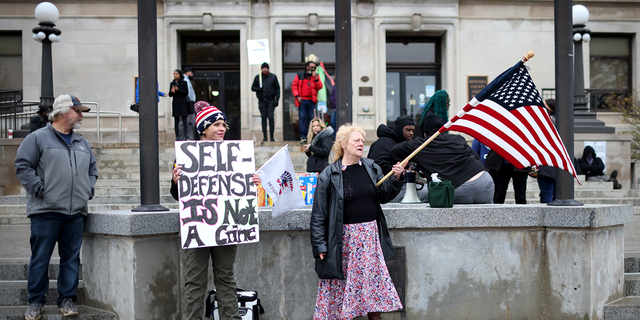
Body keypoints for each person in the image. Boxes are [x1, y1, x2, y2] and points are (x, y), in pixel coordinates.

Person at [15, 94, 98, 320]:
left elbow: (93, 171)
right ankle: (35, 302)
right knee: (40, 257)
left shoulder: (83, 143)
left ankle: (67, 299)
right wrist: (39, 189)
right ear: (63, 112)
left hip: (75, 213)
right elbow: (22, 165)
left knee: (71, 258)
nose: (81, 115)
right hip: (46, 212)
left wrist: (87, 190)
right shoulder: (38, 138)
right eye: (78, 111)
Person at [310, 124, 404, 320]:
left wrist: (396, 178)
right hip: (343, 242)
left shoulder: (371, 167)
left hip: (370, 239)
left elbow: (384, 195)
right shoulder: (329, 174)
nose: (361, 143)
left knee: (371, 293)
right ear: (344, 144)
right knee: (342, 293)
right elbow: (319, 213)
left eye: (362, 140)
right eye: (356, 140)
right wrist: (320, 245)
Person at [171, 101, 241, 320]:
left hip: (225, 226)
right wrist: (176, 182)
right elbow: (178, 195)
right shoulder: (186, 154)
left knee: (226, 279)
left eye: (224, 125)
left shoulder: (235, 155)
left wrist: (251, 180)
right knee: (194, 281)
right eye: (217, 124)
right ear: (203, 129)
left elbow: (239, 190)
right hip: (198, 226)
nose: (222, 129)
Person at [393, 106, 494, 204]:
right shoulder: (458, 139)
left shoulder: (420, 145)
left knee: (428, 197)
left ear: (425, 134)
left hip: (459, 188)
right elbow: (476, 157)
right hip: (484, 181)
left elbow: (395, 151)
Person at [292, 60, 323, 144]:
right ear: (307, 67)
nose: (313, 69)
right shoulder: (300, 75)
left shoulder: (315, 76)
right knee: (302, 119)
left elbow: (320, 86)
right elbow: (294, 86)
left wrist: (316, 78)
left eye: (314, 68)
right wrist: (297, 96)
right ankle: (303, 136)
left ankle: (311, 136)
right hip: (302, 100)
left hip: (311, 101)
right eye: (311, 67)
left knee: (311, 119)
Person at [251, 62, 281, 142]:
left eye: (265, 68)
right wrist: (258, 89)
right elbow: (253, 87)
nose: (264, 69)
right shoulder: (258, 77)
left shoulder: (273, 77)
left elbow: (277, 88)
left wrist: (276, 99)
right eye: (263, 68)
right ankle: (264, 136)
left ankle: (271, 136)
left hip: (271, 101)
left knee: (271, 117)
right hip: (262, 101)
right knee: (263, 118)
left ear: (268, 68)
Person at [169, 69, 192, 141]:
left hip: (183, 103)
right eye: (174, 74)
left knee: (184, 120)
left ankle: (186, 136)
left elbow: (186, 92)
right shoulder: (172, 83)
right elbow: (170, 94)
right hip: (176, 103)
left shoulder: (183, 82)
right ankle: (177, 136)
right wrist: (172, 92)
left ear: (180, 75)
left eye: (176, 74)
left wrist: (178, 90)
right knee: (176, 120)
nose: (175, 75)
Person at [183, 67, 198, 140]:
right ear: (187, 73)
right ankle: (187, 137)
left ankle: (187, 137)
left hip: (190, 103)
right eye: (191, 73)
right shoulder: (185, 80)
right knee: (190, 121)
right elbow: (188, 92)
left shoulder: (187, 80)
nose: (192, 74)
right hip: (189, 103)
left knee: (191, 121)